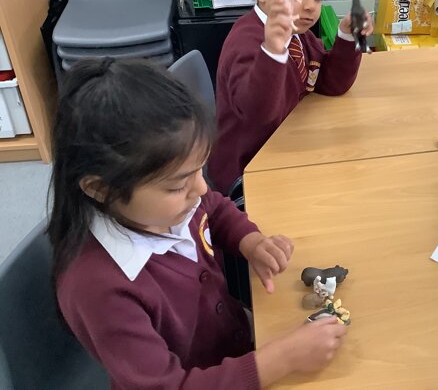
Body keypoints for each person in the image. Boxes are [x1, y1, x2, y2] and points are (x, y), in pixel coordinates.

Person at [48, 58, 347, 389]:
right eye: (178, 185)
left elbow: (213, 208)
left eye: (199, 170)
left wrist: (250, 242)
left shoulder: (164, 208)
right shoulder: (98, 287)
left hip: (233, 348)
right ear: (101, 189)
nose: (202, 188)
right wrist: (283, 359)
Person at [208, 0, 374, 200]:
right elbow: (260, 116)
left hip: (290, 144)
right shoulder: (247, 41)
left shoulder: (299, 35)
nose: (310, 6)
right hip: (248, 171)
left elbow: (329, 83)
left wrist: (346, 36)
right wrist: (273, 52)